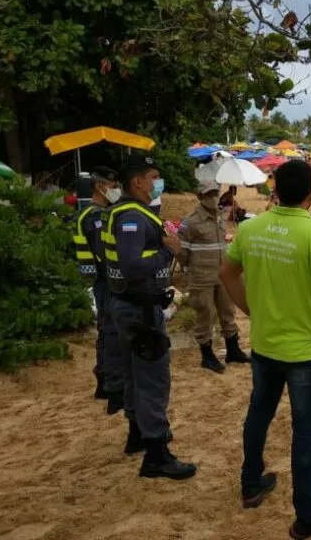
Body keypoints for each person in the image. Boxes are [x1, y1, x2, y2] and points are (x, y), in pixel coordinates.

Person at [220, 159, 311, 538]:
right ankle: (307, 517)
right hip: (304, 353)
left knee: (258, 414)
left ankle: (251, 482)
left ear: (274, 191)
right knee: (305, 430)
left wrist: (252, 310)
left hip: (264, 345)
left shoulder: (251, 228)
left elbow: (226, 273)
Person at [103, 155, 196, 480]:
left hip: (127, 305)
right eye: (154, 176)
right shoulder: (131, 216)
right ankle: (156, 453)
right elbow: (129, 266)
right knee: (153, 379)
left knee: (133, 374)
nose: (159, 182)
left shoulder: (122, 212)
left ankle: (137, 434)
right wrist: (167, 251)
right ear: (137, 182)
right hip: (139, 310)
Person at [177, 181, 250, 374]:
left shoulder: (219, 217)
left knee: (228, 312)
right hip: (201, 276)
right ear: (200, 196)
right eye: (208, 194)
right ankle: (207, 355)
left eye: (215, 193)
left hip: (221, 274)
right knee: (205, 314)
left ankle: (233, 350)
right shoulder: (190, 222)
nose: (213, 197)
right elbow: (181, 252)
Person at [72, 166, 120, 401]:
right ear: (100, 187)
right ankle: (107, 382)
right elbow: (103, 252)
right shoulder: (95, 216)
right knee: (109, 330)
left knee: (106, 330)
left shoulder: (95, 213)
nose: (116, 190)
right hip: (105, 279)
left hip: (103, 280)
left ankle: (105, 378)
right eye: (112, 187)